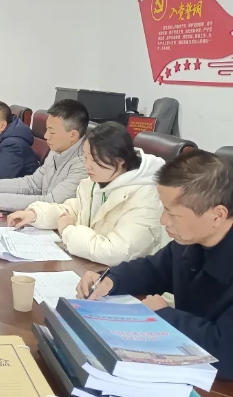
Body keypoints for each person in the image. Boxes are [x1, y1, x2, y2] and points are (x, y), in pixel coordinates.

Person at [77, 150, 233, 379]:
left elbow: (226, 351)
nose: (163, 221)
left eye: (173, 214)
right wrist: (111, 280)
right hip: (187, 367)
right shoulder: (189, 242)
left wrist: (164, 315)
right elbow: (153, 269)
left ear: (217, 215)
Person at [7, 122, 166, 266]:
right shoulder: (96, 182)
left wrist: (68, 231)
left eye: (95, 160)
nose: (87, 165)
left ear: (119, 161)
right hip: (91, 267)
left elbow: (116, 252)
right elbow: (72, 210)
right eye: (85, 157)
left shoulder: (145, 196)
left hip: (125, 279)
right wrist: (35, 214)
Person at [0, 100, 89, 211]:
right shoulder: (57, 149)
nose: (46, 136)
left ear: (73, 135)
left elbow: (52, 202)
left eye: (52, 132)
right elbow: (33, 183)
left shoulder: (84, 164)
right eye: (47, 129)